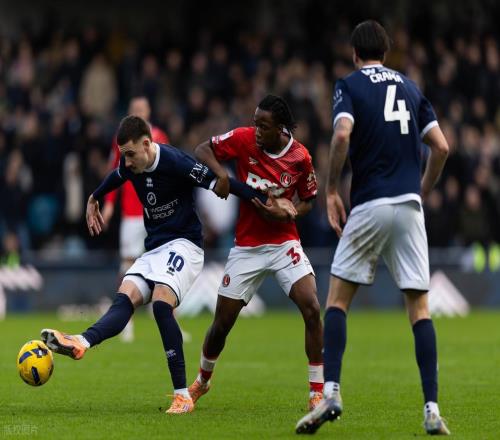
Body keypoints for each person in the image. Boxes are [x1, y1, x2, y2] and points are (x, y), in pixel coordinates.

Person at [41, 115, 294, 414]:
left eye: (131, 154)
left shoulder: (177, 162)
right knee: (126, 295)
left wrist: (265, 199)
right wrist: (94, 197)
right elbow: (117, 176)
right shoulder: (130, 163)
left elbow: (224, 183)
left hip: (186, 245)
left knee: (162, 304)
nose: (127, 162)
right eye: (124, 156)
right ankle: (81, 342)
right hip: (155, 249)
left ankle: (182, 395)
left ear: (147, 144)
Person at [295, 20, 450, 435]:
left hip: (370, 203)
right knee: (420, 310)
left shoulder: (349, 85)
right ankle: (432, 410)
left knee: (337, 300)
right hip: (409, 206)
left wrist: (331, 189)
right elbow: (441, 147)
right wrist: (422, 190)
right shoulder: (411, 87)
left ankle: (331, 392)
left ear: (354, 54)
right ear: (386, 51)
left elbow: (342, 135)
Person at [188, 94, 325, 411]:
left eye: (263, 126)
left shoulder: (300, 157)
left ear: (280, 128)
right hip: (247, 247)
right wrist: (221, 174)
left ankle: (316, 393)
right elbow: (202, 149)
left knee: (312, 308)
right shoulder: (243, 139)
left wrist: (289, 212)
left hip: (284, 243)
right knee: (221, 324)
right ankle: (202, 381)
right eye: (255, 123)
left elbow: (308, 199)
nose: (257, 131)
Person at [102, 96, 169, 342]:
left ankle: (168, 321)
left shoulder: (159, 137)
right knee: (128, 264)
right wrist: (109, 204)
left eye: (142, 108)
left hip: (157, 211)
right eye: (135, 109)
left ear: (149, 111)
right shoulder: (120, 140)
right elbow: (115, 171)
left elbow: (169, 172)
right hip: (131, 212)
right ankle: (125, 323)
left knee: (164, 265)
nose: (139, 112)